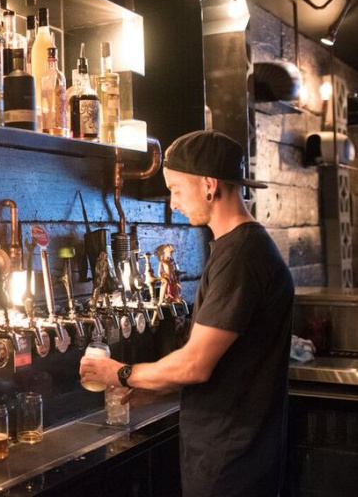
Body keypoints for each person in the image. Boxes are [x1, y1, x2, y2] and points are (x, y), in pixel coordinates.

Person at [79, 130, 294, 497]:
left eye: (176, 189)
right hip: (235, 452)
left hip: (232, 462)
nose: (173, 202)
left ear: (209, 185)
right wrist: (157, 386)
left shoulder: (241, 256)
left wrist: (121, 372)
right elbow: (226, 364)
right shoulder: (238, 248)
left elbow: (196, 364)